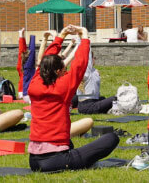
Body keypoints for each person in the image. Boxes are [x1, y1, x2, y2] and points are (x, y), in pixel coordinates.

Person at [27, 25, 117, 172]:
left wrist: (61, 36)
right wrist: (85, 36)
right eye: (64, 70)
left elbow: (45, 61)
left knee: (70, 142)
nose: (66, 72)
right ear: (58, 71)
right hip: (56, 160)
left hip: (34, 160)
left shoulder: (34, 84)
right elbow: (80, 65)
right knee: (111, 138)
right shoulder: (62, 87)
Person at [71, 45, 116, 114]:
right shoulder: (85, 72)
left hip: (89, 102)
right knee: (114, 98)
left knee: (103, 98)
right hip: (88, 106)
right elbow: (85, 55)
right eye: (93, 58)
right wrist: (84, 39)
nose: (95, 59)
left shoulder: (93, 71)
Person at [16, 28, 36, 99]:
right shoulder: (27, 67)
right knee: (22, 52)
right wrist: (32, 38)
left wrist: (22, 36)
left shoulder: (22, 65)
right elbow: (30, 51)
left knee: (22, 52)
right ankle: (21, 34)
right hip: (24, 92)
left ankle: (21, 34)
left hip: (23, 91)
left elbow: (22, 51)